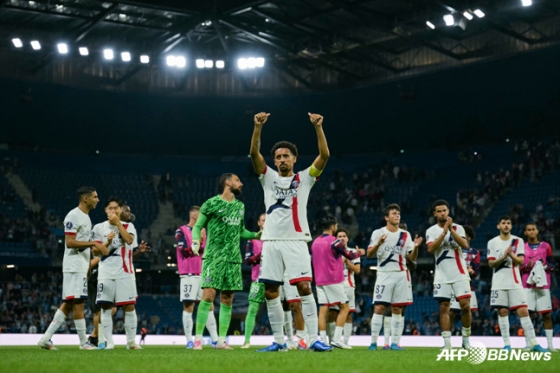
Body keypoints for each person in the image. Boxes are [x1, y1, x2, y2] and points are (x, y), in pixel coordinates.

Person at [249, 111, 333, 352]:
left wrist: (318, 128)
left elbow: (325, 155)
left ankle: (314, 338)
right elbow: (254, 153)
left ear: (294, 159)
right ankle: (278, 341)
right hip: (272, 241)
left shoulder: (304, 178)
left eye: (286, 155)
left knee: (304, 287)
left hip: (296, 241)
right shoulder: (268, 177)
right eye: (278, 157)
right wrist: (257, 127)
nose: (282, 159)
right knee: (271, 290)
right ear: (274, 161)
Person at [191, 173, 261, 350]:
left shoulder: (240, 206)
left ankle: (221, 341)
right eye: (238, 180)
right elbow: (198, 226)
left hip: (233, 259)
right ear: (228, 182)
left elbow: (241, 231)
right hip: (213, 257)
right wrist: (195, 240)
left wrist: (255, 235)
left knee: (228, 299)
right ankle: (197, 339)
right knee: (208, 296)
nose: (241, 183)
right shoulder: (212, 203)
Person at [38, 186, 108, 350]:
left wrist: (89, 263)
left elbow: (84, 246)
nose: (97, 200)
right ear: (85, 198)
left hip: (81, 266)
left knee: (69, 303)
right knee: (79, 303)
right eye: (95, 197)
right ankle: (84, 343)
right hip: (73, 265)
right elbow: (70, 242)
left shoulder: (86, 217)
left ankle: (46, 339)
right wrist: (92, 243)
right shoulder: (73, 215)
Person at [487, 216, 547, 352]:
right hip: (498, 282)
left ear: (511, 226)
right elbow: (491, 264)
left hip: (514, 281)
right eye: (503, 223)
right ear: (498, 226)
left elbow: (520, 261)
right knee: (502, 312)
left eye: (508, 223)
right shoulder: (492, 242)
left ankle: (534, 344)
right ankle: (507, 345)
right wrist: (503, 257)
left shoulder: (517, 241)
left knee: (523, 311)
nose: (506, 225)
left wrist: (510, 255)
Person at [367, 204, 420, 351]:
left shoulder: (405, 235)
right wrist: (379, 243)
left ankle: (395, 343)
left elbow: (412, 258)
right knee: (379, 307)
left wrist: (415, 247)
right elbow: (369, 254)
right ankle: (373, 343)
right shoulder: (378, 233)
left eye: (398, 213)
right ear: (386, 217)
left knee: (397, 309)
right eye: (394, 213)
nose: (397, 215)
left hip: (401, 275)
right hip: (384, 274)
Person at [92, 196, 141, 350]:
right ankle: (109, 343)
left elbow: (129, 241)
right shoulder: (98, 228)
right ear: (106, 210)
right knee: (105, 308)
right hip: (105, 273)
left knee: (129, 307)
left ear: (120, 210)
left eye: (116, 208)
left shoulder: (129, 226)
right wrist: (106, 241)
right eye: (110, 208)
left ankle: (131, 342)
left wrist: (118, 224)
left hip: (125, 272)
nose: (113, 210)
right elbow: (94, 250)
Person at [312, 215, 364, 349]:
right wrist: (359, 252)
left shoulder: (315, 242)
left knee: (323, 310)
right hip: (333, 279)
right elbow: (350, 256)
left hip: (319, 280)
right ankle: (336, 339)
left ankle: (323, 341)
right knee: (345, 308)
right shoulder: (334, 241)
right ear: (332, 227)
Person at [425, 199, 471, 349]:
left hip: (459, 272)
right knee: (444, 308)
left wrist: (451, 230)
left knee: (465, 307)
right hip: (441, 275)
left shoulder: (459, 228)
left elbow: (465, 245)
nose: (442, 213)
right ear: (435, 214)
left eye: (444, 210)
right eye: (439, 211)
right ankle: (447, 343)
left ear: (448, 211)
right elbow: (430, 249)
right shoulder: (431, 231)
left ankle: (466, 340)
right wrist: (443, 232)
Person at [176, 206, 218, 349]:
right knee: (189, 306)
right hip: (188, 273)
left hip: (203, 273)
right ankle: (189, 340)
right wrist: (199, 241)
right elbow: (184, 250)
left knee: (209, 305)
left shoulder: (205, 232)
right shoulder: (181, 231)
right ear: (194, 216)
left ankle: (215, 340)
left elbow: (208, 250)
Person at [521, 223, 556, 351]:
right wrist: (526, 267)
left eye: (533, 229)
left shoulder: (546, 246)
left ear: (537, 231)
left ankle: (551, 345)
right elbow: (518, 266)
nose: (531, 232)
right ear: (525, 233)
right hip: (527, 284)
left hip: (543, 285)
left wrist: (545, 266)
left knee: (546, 315)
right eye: (528, 230)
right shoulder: (521, 247)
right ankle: (528, 343)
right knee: (526, 315)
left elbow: (552, 263)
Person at [449, 225, 480, 332]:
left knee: (467, 311)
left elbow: (477, 271)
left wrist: (472, 272)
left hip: (468, 285)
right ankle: (447, 339)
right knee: (451, 312)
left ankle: (466, 338)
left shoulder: (475, 253)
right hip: (453, 285)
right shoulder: (452, 250)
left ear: (469, 237)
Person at [243, 213, 266, 348]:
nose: (266, 222)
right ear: (258, 223)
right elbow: (247, 260)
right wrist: (259, 256)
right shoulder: (252, 241)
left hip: (274, 279)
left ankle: (283, 341)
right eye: (263, 220)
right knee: (252, 309)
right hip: (257, 279)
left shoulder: (276, 239)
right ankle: (247, 341)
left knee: (279, 309)